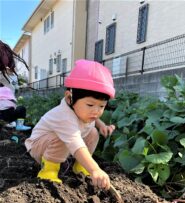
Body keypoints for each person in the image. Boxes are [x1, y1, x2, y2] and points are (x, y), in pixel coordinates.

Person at [25, 59, 116, 190]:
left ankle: (80, 166)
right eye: (90, 105)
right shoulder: (64, 117)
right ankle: (48, 170)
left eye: (102, 106)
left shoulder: (82, 111)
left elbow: (94, 118)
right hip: (39, 146)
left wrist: (101, 125)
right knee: (61, 138)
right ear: (69, 98)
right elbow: (75, 143)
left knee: (93, 133)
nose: (96, 111)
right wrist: (95, 169)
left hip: (60, 145)